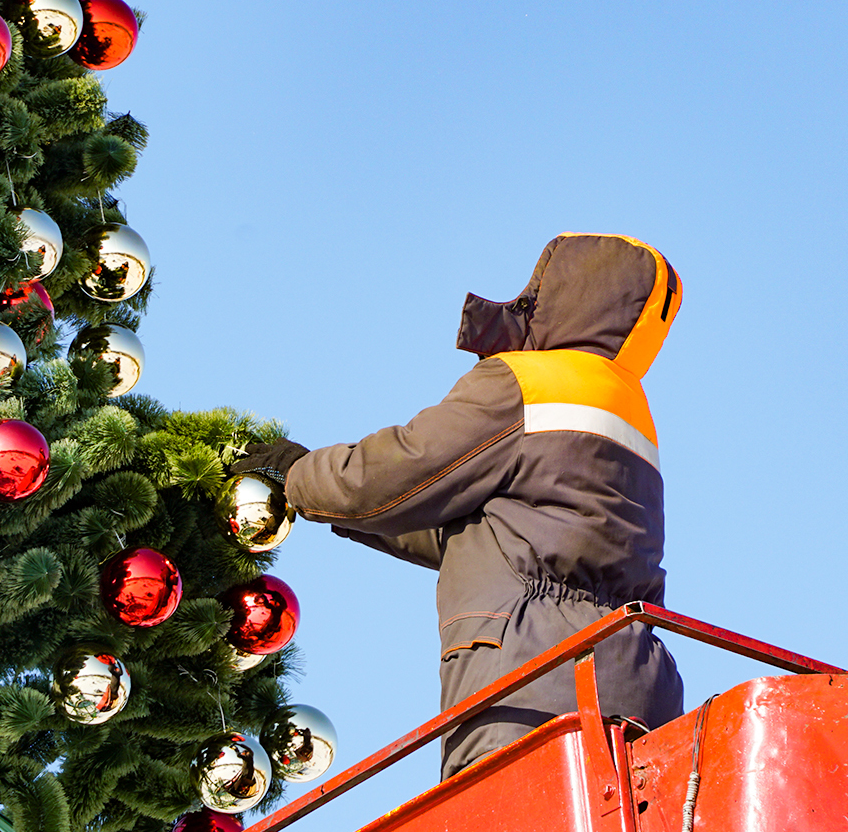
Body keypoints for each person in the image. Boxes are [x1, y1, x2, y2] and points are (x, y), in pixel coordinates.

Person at [233, 233, 686, 778]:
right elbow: (479, 533)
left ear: (568, 293)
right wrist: (343, 516)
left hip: (528, 687)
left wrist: (297, 475)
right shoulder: (631, 413)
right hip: (638, 692)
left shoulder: (530, 383)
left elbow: (402, 469)